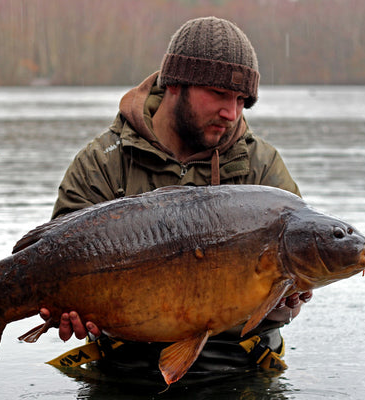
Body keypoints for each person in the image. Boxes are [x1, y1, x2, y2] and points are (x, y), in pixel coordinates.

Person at [40, 16, 312, 381]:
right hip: (126, 367)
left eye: (241, 100)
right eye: (218, 94)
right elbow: (54, 256)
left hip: (237, 368)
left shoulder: (262, 169)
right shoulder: (105, 161)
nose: (231, 113)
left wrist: (292, 298)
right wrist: (64, 310)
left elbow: (294, 275)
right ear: (175, 84)